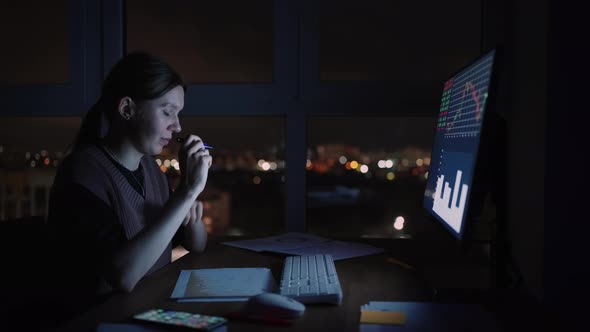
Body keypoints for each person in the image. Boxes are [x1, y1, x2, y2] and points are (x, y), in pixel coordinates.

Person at [46, 52, 211, 316]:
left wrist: (189, 193)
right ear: (127, 109)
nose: (177, 126)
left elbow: (195, 242)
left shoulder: (151, 170)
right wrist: (186, 193)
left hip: (148, 309)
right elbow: (123, 275)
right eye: (168, 112)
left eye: (178, 114)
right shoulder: (83, 173)